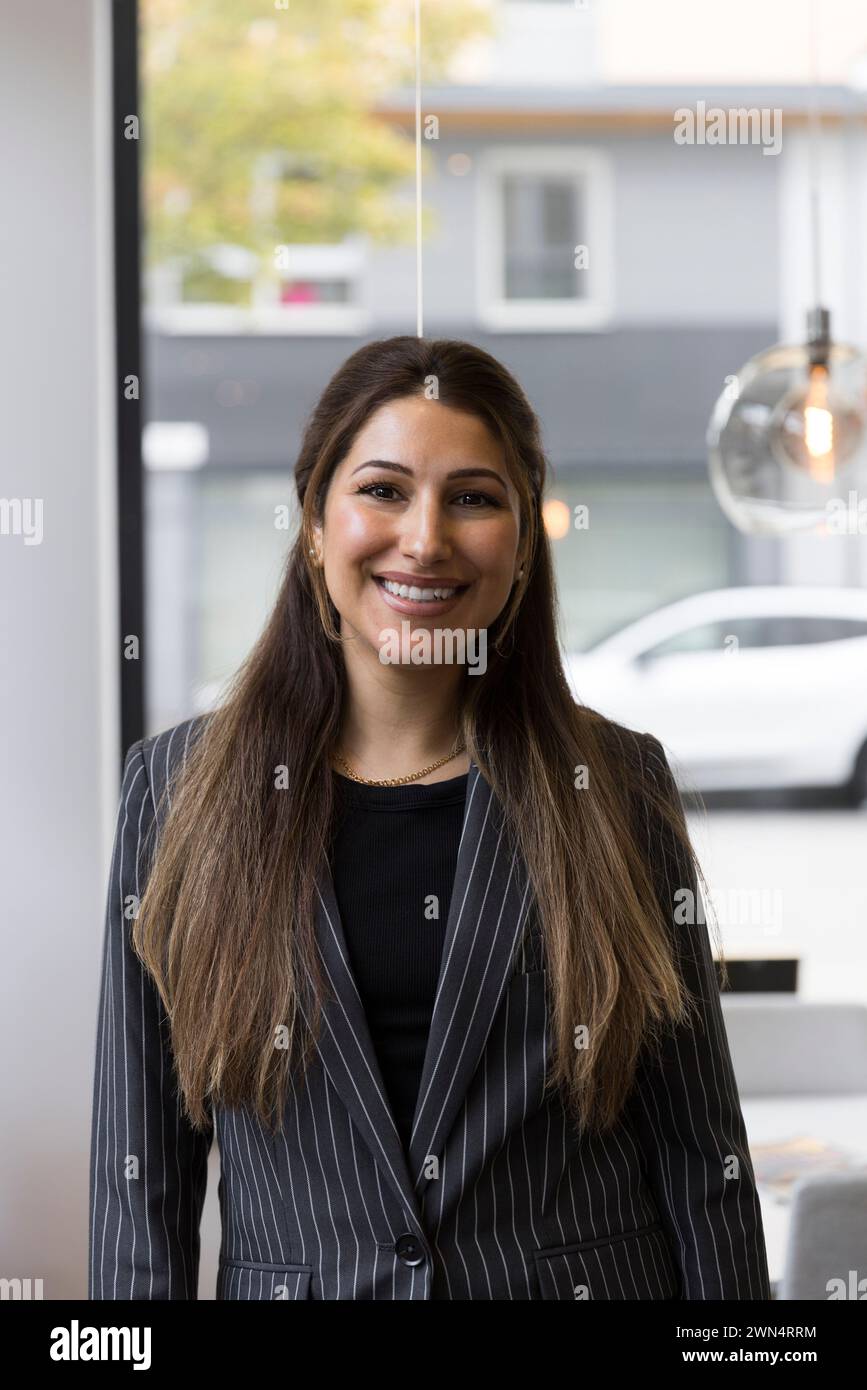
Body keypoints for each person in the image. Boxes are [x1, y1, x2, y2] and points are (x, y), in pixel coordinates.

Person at [88, 335, 771, 1301]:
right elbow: (139, 1180)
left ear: (524, 540)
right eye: (382, 490)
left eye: (473, 497)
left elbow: (703, 1156)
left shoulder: (615, 781)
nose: (424, 538)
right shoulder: (174, 789)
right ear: (316, 525)